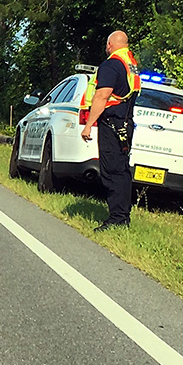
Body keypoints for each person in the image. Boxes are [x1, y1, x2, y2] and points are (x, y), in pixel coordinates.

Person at [80, 30, 142, 230]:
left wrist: (88, 125)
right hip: (125, 124)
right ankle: (122, 216)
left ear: (109, 45)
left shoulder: (111, 64)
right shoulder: (130, 65)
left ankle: (117, 218)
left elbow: (102, 96)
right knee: (122, 171)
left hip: (112, 125)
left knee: (112, 172)